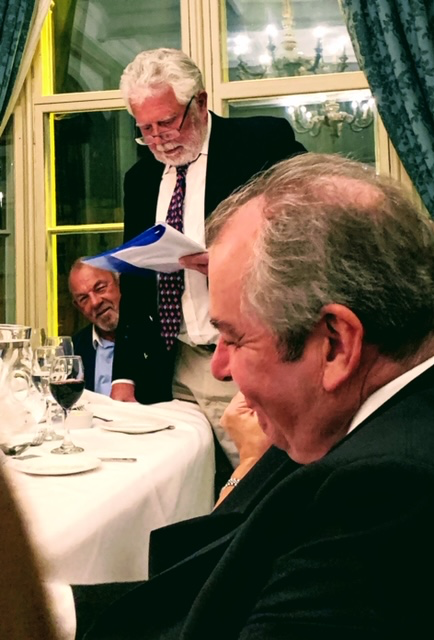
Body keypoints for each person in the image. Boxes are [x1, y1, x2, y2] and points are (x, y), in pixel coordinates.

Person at [74, 152, 434, 639]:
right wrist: (52, 611)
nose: (219, 368)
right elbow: (219, 585)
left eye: (234, 338)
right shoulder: (347, 418)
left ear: (335, 344)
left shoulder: (387, 490)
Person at [111, 47, 306, 474]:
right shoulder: (140, 179)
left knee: (264, 483)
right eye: (145, 129)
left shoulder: (261, 143)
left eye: (166, 122)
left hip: (248, 358)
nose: (158, 139)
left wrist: (231, 260)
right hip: (171, 366)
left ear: (199, 102)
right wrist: (124, 375)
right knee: (187, 491)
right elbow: (135, 285)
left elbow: (311, 232)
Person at [69, 260, 120, 395]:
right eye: (84, 298)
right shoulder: (73, 350)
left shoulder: (157, 338)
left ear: (119, 284)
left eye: (100, 288)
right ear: (78, 307)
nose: (95, 302)